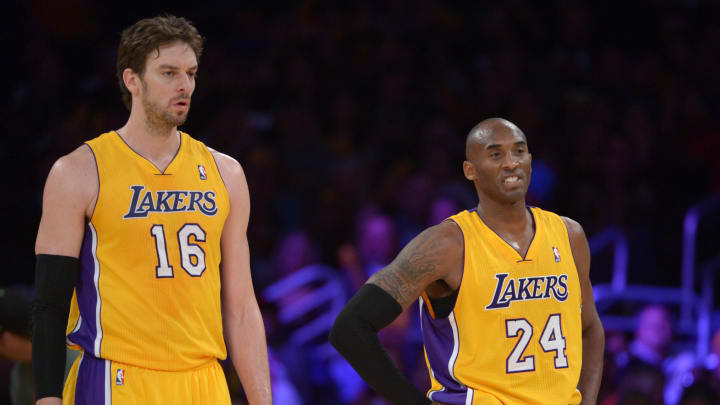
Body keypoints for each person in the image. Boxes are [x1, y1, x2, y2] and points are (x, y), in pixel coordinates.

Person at [32, 15, 272, 405]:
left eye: (191, 73)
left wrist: (263, 400)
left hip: (204, 381)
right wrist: (47, 397)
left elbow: (242, 305)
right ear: (132, 80)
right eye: (168, 73)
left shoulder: (225, 173)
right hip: (118, 377)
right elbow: (49, 304)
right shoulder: (78, 171)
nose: (184, 86)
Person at [330, 118, 605, 404]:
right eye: (496, 154)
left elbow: (590, 329)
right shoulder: (446, 244)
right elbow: (350, 327)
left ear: (530, 160)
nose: (511, 163)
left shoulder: (569, 235)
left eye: (519, 151)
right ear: (470, 170)